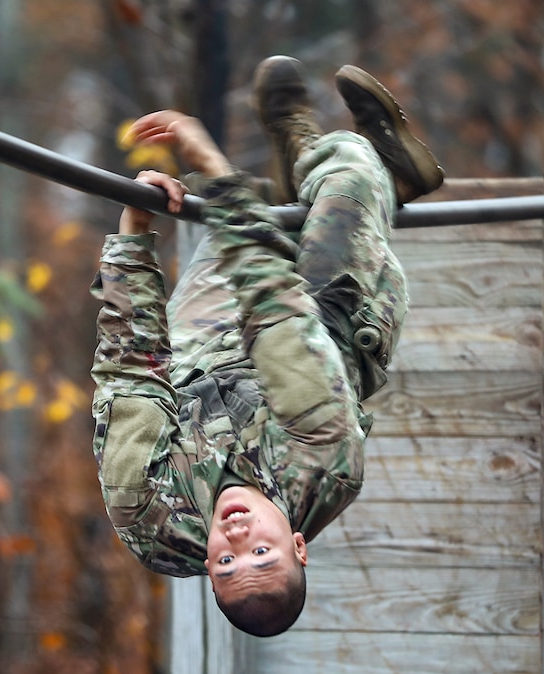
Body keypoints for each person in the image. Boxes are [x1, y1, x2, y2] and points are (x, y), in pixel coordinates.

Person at [90, 56, 443, 637]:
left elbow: (132, 373)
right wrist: (207, 158)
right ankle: (337, 155)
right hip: (321, 331)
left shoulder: (148, 513)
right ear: (299, 544)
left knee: (245, 212)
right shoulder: (322, 463)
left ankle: (374, 176)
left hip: (198, 351)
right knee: (350, 173)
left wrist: (133, 232)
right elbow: (274, 305)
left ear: (206, 567)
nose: (237, 541)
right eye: (263, 555)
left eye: (227, 564)